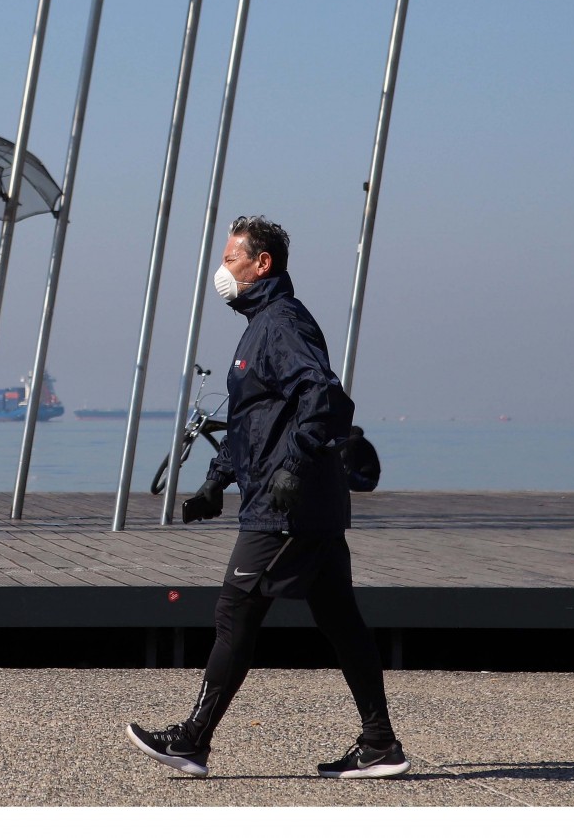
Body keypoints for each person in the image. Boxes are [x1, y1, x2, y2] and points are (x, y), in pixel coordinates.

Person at [126, 215, 409, 780]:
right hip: (301, 505)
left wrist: (295, 468)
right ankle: (380, 745)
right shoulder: (261, 325)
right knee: (341, 621)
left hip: (287, 508)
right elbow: (256, 420)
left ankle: (192, 739)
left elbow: (325, 397)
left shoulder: (280, 323)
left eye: (232, 258)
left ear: (263, 265)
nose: (221, 269)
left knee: (236, 612)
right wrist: (216, 480)